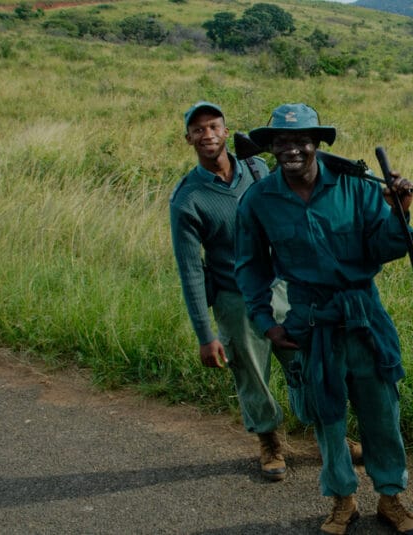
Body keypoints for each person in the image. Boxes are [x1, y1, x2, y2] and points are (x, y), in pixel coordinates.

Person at [234, 103, 413, 535]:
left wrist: (400, 212)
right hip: (309, 320)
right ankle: (343, 501)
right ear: (272, 148)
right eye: (282, 142)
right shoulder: (260, 201)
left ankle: (391, 498)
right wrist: (267, 321)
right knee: (327, 416)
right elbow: (250, 267)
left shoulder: (356, 188)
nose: (292, 149)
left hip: (363, 315)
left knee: (381, 412)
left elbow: (386, 248)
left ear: (316, 143)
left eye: (301, 140)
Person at [169, 101, 292, 482]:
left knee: (307, 364)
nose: (207, 134)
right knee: (252, 373)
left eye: (214, 126)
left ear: (226, 132)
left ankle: (331, 434)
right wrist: (206, 336)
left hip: (279, 286)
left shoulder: (256, 169)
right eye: (198, 129)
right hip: (234, 297)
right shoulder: (187, 198)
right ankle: (270, 441)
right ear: (188, 138)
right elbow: (190, 271)